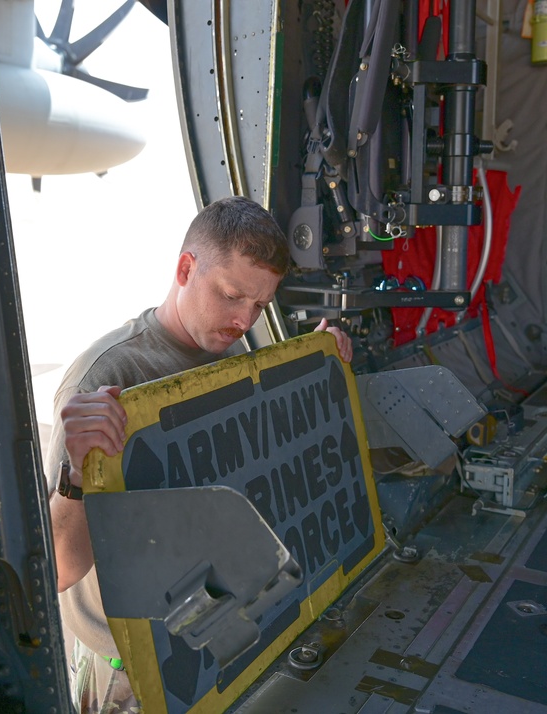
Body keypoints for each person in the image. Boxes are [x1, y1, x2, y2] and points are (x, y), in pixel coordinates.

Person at [44, 196, 352, 713]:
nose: (243, 319)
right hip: (133, 670)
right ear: (186, 268)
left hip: (207, 635)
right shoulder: (105, 379)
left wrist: (311, 370)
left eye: (259, 306)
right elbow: (55, 570)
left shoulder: (228, 350)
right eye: (231, 295)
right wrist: (77, 472)